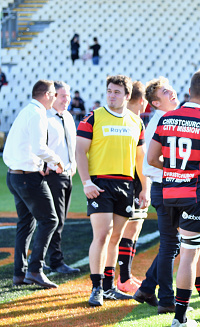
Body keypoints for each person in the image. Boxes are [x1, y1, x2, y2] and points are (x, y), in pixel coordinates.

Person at [148, 69, 200, 327]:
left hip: (169, 192)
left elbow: (151, 159)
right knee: (189, 254)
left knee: (196, 248)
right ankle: (180, 318)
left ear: (188, 91)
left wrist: (174, 170)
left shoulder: (167, 118)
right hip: (195, 194)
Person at [76, 75, 149, 306]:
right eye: (109, 91)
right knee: (102, 234)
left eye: (117, 92)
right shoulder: (93, 117)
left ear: (127, 96)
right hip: (100, 184)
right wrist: (87, 182)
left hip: (125, 185)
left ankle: (108, 288)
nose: (112, 95)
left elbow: (140, 159)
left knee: (115, 238)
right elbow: (79, 151)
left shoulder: (136, 122)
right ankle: (96, 287)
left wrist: (144, 188)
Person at [5, 80, 62, 288]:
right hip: (27, 177)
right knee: (49, 220)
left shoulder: (26, 111)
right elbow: (39, 147)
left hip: (15, 175)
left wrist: (40, 162)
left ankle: (19, 273)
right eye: (54, 94)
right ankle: (35, 270)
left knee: (26, 223)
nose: (55, 98)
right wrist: (56, 160)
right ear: (47, 94)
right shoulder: (37, 113)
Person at [133, 77, 182, 313]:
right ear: (155, 101)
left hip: (169, 186)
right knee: (171, 244)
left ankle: (147, 288)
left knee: (173, 244)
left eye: (170, 88)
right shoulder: (160, 121)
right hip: (165, 187)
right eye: (165, 91)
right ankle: (166, 299)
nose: (172, 92)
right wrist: (178, 169)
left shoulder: (167, 118)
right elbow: (150, 165)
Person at [110, 81, 149, 294]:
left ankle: (126, 275)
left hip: (131, 180)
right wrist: (144, 185)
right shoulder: (132, 121)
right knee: (128, 230)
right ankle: (122, 278)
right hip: (131, 181)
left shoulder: (135, 121)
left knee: (133, 230)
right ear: (142, 101)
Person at [45, 81, 80, 275]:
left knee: (60, 220)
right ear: (53, 96)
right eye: (62, 96)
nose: (66, 100)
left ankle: (45, 259)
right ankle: (55, 261)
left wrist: (73, 163)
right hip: (52, 176)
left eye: (67, 96)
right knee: (54, 220)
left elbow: (70, 146)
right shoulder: (45, 118)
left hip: (67, 174)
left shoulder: (67, 116)